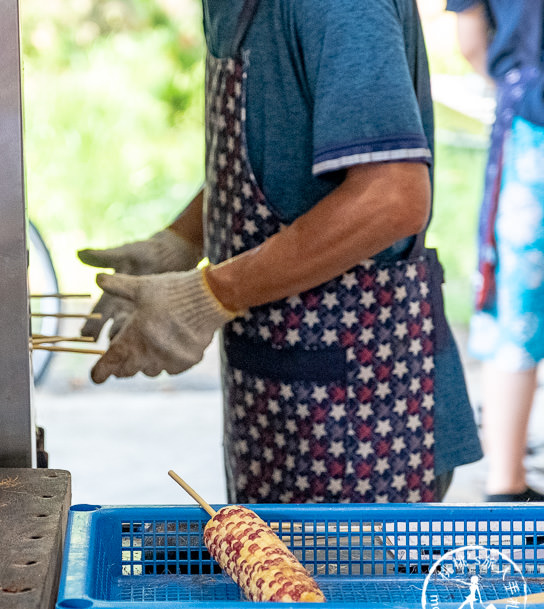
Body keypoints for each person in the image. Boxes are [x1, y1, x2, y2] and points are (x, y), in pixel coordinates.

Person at [77, 0, 482, 504]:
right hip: (273, 389)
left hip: (361, 410)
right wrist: (181, 241)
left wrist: (209, 293)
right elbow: (285, 152)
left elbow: (392, 196)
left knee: (338, 586)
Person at [448, 1, 544, 502]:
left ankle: (507, 482)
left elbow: (470, 42)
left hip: (530, 122)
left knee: (516, 300)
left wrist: (513, 80)